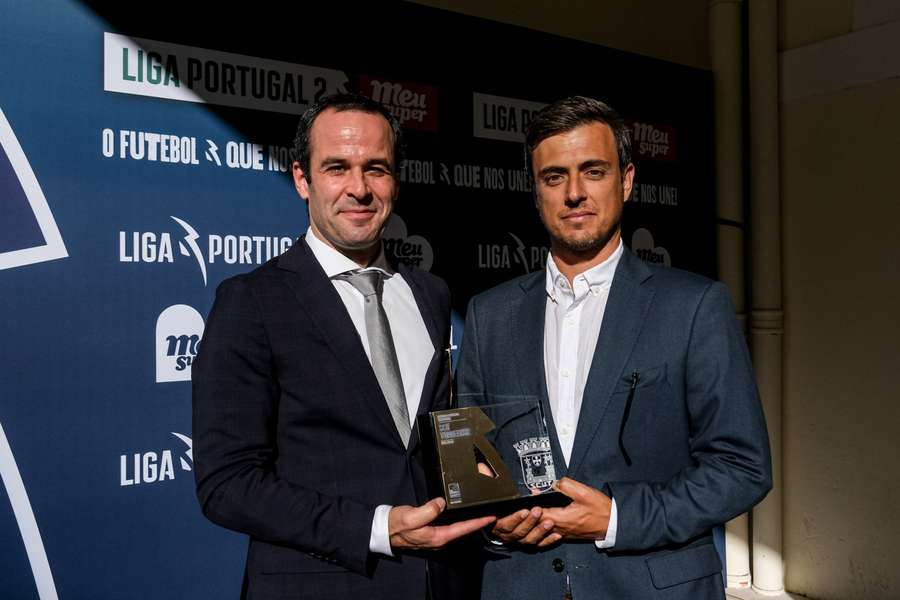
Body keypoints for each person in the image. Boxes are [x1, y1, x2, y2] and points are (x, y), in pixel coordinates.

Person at [456, 95, 772, 599]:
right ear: (536, 192)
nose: (574, 193)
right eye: (554, 177)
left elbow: (742, 467)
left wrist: (619, 517)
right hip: (521, 584)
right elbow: (471, 461)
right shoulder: (489, 314)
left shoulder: (692, 307)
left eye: (594, 171)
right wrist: (493, 519)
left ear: (626, 180)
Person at [192, 93, 493, 600]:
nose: (359, 188)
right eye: (337, 167)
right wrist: (378, 528)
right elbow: (227, 485)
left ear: (396, 180)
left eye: (376, 168)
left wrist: (490, 485)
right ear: (301, 179)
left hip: (443, 584)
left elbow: (437, 442)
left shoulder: (431, 293)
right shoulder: (252, 301)